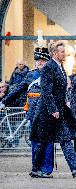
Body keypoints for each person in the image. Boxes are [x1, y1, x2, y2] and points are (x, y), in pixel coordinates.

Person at [30, 41, 76, 178]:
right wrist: (53, 109)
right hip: (47, 113)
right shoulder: (49, 67)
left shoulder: (60, 67)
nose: (64, 53)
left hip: (58, 112)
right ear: (55, 53)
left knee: (65, 139)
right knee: (43, 142)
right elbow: (46, 91)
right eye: (62, 51)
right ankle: (36, 169)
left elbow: (60, 91)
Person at [0, 47, 53, 177]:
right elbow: (17, 90)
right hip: (33, 112)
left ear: (47, 61)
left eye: (42, 60)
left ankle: (46, 169)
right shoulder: (30, 75)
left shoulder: (51, 74)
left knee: (47, 142)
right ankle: (36, 168)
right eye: (38, 60)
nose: (40, 62)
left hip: (47, 112)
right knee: (35, 141)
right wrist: (4, 102)